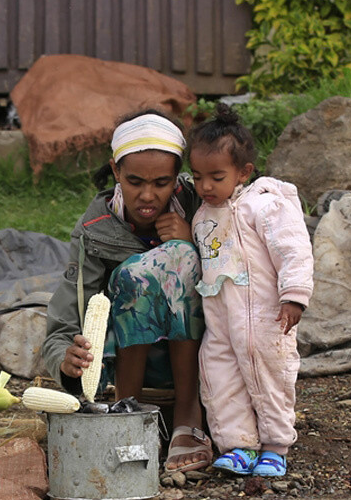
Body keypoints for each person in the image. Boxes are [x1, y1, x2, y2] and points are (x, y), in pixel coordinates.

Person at [41, 109, 212, 473]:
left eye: (162, 183)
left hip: (201, 359)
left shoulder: (205, 204)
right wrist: (65, 363)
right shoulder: (94, 230)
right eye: (134, 181)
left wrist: (194, 242)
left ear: (178, 175)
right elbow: (62, 323)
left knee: (178, 255)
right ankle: (126, 407)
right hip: (133, 363)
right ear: (116, 171)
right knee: (138, 275)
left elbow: (243, 276)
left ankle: (187, 413)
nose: (147, 195)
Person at [188, 104, 314, 477]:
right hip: (221, 321)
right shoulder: (202, 216)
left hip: (264, 318)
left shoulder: (265, 205)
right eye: (197, 177)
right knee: (220, 377)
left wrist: (293, 296)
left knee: (270, 376)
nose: (205, 186)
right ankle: (238, 445)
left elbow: (293, 248)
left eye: (215, 176)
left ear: (243, 172)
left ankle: (276, 445)